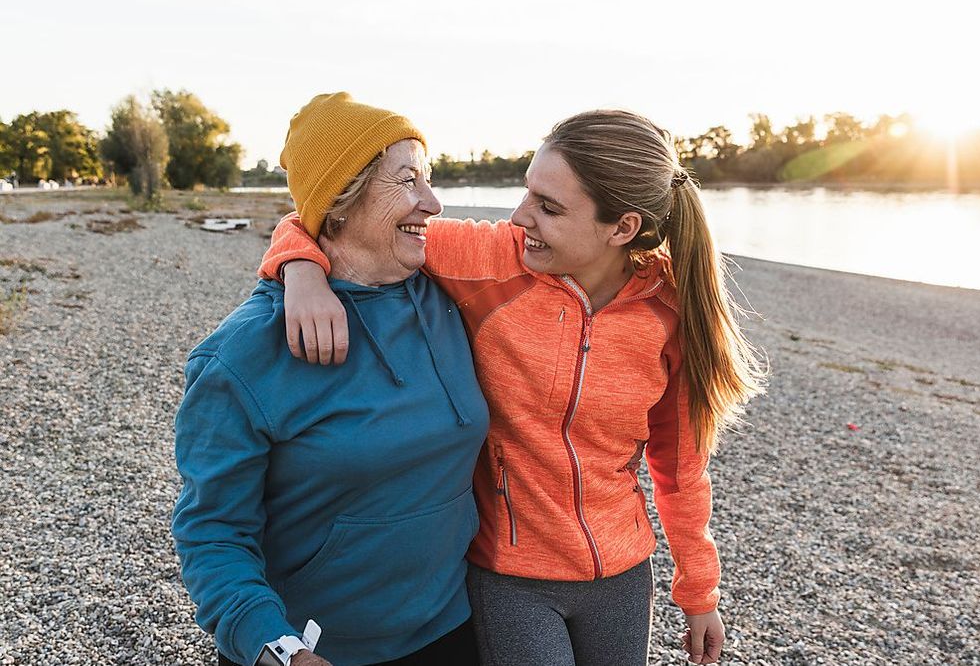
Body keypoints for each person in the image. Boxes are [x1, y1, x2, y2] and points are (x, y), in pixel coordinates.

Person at [260, 109, 766, 665]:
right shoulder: (490, 260)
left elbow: (680, 465)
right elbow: (336, 221)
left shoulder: (669, 308)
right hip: (510, 575)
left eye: (549, 207)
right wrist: (300, 270)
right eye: (528, 192)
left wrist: (699, 591)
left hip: (621, 575)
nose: (520, 216)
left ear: (621, 228)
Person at [172, 93, 489, 666]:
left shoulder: (453, 294)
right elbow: (212, 532)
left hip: (452, 628)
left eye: (429, 178)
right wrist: (276, 645)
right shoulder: (243, 356)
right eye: (407, 181)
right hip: (318, 648)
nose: (433, 202)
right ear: (341, 201)